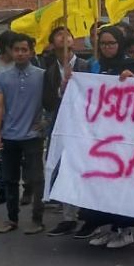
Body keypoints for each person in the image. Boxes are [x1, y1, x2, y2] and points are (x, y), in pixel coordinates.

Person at [78, 25, 134, 248]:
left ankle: (123, 230)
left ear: (120, 44)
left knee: (120, 186)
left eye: (112, 43)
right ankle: (105, 227)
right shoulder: (97, 67)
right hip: (100, 137)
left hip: (125, 140)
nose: (107, 47)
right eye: (103, 44)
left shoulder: (133, 65)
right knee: (100, 184)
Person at [0, 33, 49, 235]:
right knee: (10, 179)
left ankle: (37, 219)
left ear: (32, 51)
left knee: (36, 179)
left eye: (25, 49)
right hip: (9, 135)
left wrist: (46, 122)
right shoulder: (3, 77)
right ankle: (12, 218)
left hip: (33, 136)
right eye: (16, 49)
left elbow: (52, 101)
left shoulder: (42, 75)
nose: (20, 53)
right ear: (10, 51)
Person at [41, 25, 91, 237]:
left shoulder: (86, 66)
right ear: (53, 44)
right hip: (61, 125)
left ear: (73, 40)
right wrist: (61, 90)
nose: (64, 38)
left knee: (84, 167)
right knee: (62, 167)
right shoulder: (50, 72)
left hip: (84, 125)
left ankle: (87, 215)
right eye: (58, 36)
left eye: (67, 35)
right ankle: (68, 217)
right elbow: (47, 102)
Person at [0, 31, 17, 207]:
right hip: (2, 114)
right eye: (11, 47)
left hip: (21, 115)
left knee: (22, 157)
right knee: (2, 156)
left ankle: (26, 188)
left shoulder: (22, 64)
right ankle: (2, 189)